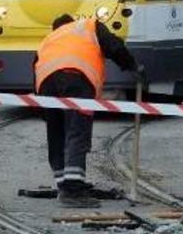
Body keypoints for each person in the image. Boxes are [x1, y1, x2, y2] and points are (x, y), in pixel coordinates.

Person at [34, 13, 140, 208]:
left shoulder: (48, 40)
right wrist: (132, 66)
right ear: (72, 22)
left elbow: (36, 68)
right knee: (77, 131)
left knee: (56, 132)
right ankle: (73, 190)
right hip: (76, 77)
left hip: (46, 84)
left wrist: (46, 114)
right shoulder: (87, 26)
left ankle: (64, 185)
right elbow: (114, 46)